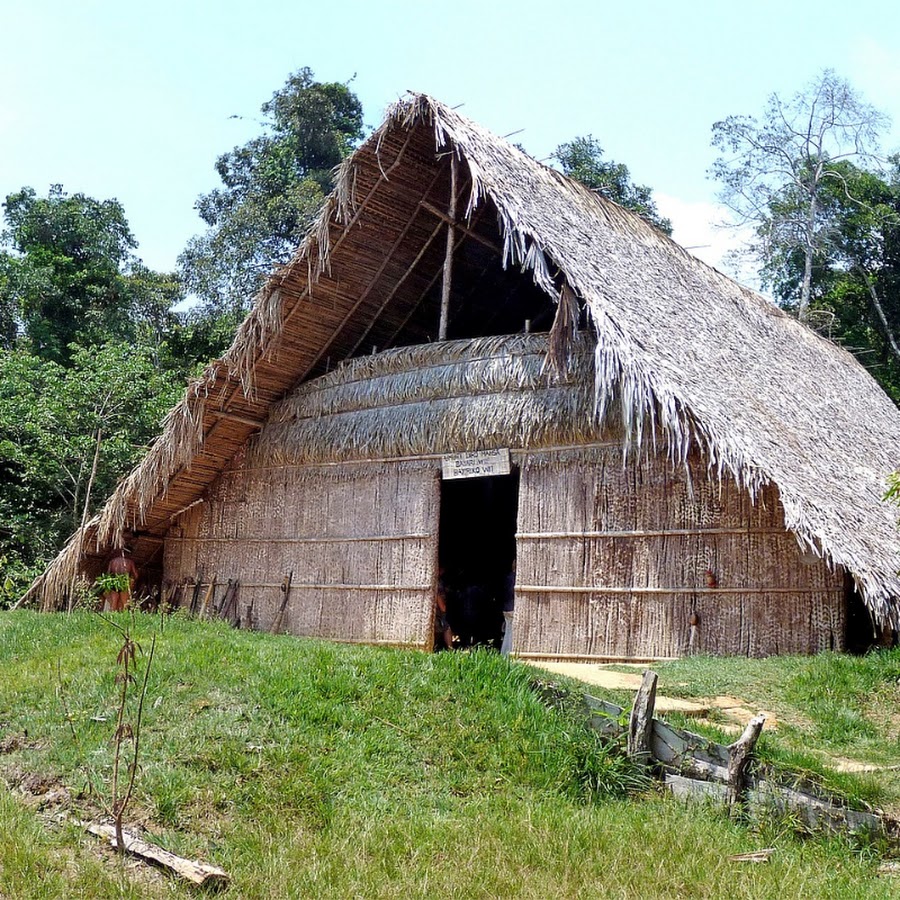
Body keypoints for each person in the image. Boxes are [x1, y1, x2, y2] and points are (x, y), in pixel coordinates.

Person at [102, 548, 138, 612]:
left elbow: (108, 574)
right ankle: (123, 616)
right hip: (124, 583)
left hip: (114, 582)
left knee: (113, 603)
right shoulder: (130, 562)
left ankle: (112, 616)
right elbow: (136, 575)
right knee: (125, 603)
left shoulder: (112, 561)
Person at [434, 568, 454, 650]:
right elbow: (442, 608)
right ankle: (450, 649)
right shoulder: (437, 585)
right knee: (446, 628)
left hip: (438, 612)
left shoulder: (439, 583)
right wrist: (443, 607)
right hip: (437, 613)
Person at [500, 559, 516, 656]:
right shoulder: (516, 579)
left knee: (508, 632)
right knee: (512, 632)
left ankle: (504, 653)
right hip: (513, 608)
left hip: (506, 608)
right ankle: (509, 653)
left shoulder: (507, 578)